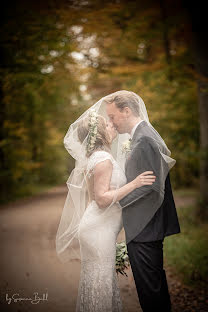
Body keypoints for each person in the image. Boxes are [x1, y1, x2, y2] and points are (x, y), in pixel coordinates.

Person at [56, 105, 156, 312]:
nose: (113, 125)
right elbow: (101, 199)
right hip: (98, 231)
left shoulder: (99, 157)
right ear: (100, 132)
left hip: (98, 228)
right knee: (100, 285)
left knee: (98, 283)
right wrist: (134, 184)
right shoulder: (103, 160)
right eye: (108, 123)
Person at [104, 90, 181, 312]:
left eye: (112, 116)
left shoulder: (144, 138)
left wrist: (116, 202)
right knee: (153, 288)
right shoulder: (141, 135)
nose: (111, 122)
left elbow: (151, 185)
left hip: (146, 227)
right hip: (146, 226)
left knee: (151, 292)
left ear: (126, 111)